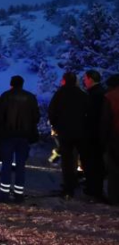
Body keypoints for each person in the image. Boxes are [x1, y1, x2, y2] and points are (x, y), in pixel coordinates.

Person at [0, 76, 40, 203]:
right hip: (24, 137)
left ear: (11, 84)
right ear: (22, 84)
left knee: (6, 165)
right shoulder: (31, 98)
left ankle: (4, 195)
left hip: (8, 136)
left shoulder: (5, 96)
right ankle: (18, 195)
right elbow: (36, 117)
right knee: (21, 165)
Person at [49, 72, 88, 200]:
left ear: (64, 81)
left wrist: (56, 126)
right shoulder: (82, 95)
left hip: (65, 132)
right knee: (81, 157)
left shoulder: (60, 94)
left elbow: (52, 111)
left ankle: (68, 187)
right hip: (81, 131)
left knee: (67, 159)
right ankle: (82, 182)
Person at [82, 70, 106, 200]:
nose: (84, 81)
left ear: (90, 79)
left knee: (92, 163)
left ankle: (94, 190)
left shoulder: (94, 95)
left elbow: (91, 116)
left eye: (85, 78)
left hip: (92, 135)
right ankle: (94, 189)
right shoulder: (102, 93)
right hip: (98, 134)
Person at [100, 74, 119, 205]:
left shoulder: (109, 97)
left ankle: (114, 198)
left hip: (115, 136)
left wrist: (102, 138)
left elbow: (105, 120)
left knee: (114, 168)